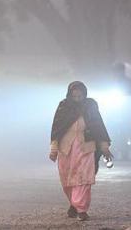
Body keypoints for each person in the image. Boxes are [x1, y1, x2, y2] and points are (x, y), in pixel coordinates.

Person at [49, 81, 112, 221]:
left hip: (86, 148)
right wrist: (54, 148)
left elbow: (98, 126)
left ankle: (81, 209)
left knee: (83, 179)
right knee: (67, 180)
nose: (77, 99)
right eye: (74, 96)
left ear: (84, 94)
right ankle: (74, 204)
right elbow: (56, 128)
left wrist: (104, 146)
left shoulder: (90, 106)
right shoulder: (63, 107)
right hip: (66, 149)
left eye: (80, 96)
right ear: (70, 95)